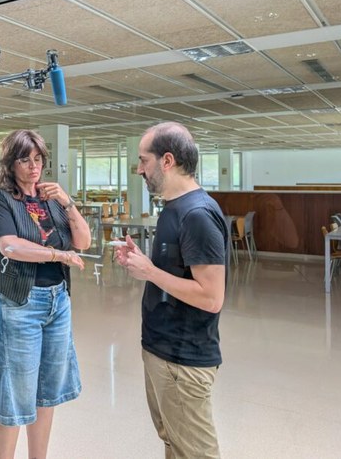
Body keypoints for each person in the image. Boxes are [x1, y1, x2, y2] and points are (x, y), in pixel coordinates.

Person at [115, 122, 229, 459]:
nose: (139, 169)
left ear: (167, 161)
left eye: (143, 160)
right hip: (160, 351)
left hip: (183, 359)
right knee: (174, 444)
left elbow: (211, 297)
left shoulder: (197, 214)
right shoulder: (172, 209)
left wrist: (151, 272)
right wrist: (144, 266)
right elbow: (173, 275)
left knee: (194, 453)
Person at [0, 129, 91, 459]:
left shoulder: (51, 200)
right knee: (14, 396)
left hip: (57, 301)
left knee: (47, 393)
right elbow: (10, 246)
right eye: (25, 159)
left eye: (38, 159)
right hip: (20, 302)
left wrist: (67, 202)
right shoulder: (0, 199)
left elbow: (83, 242)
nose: (34, 166)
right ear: (11, 163)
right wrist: (58, 255)